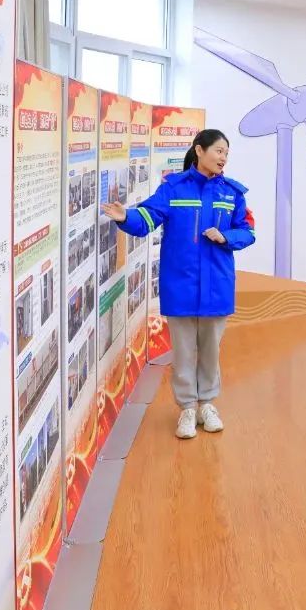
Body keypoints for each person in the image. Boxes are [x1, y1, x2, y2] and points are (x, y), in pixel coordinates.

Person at [102, 129, 256, 439]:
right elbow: (147, 217)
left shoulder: (232, 194)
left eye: (226, 153)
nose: (223, 158)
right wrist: (125, 217)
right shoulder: (173, 188)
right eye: (219, 151)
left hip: (217, 286)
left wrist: (226, 236)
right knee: (184, 352)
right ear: (199, 150)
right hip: (181, 285)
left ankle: (207, 405)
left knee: (210, 351)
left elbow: (248, 231)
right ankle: (187, 409)